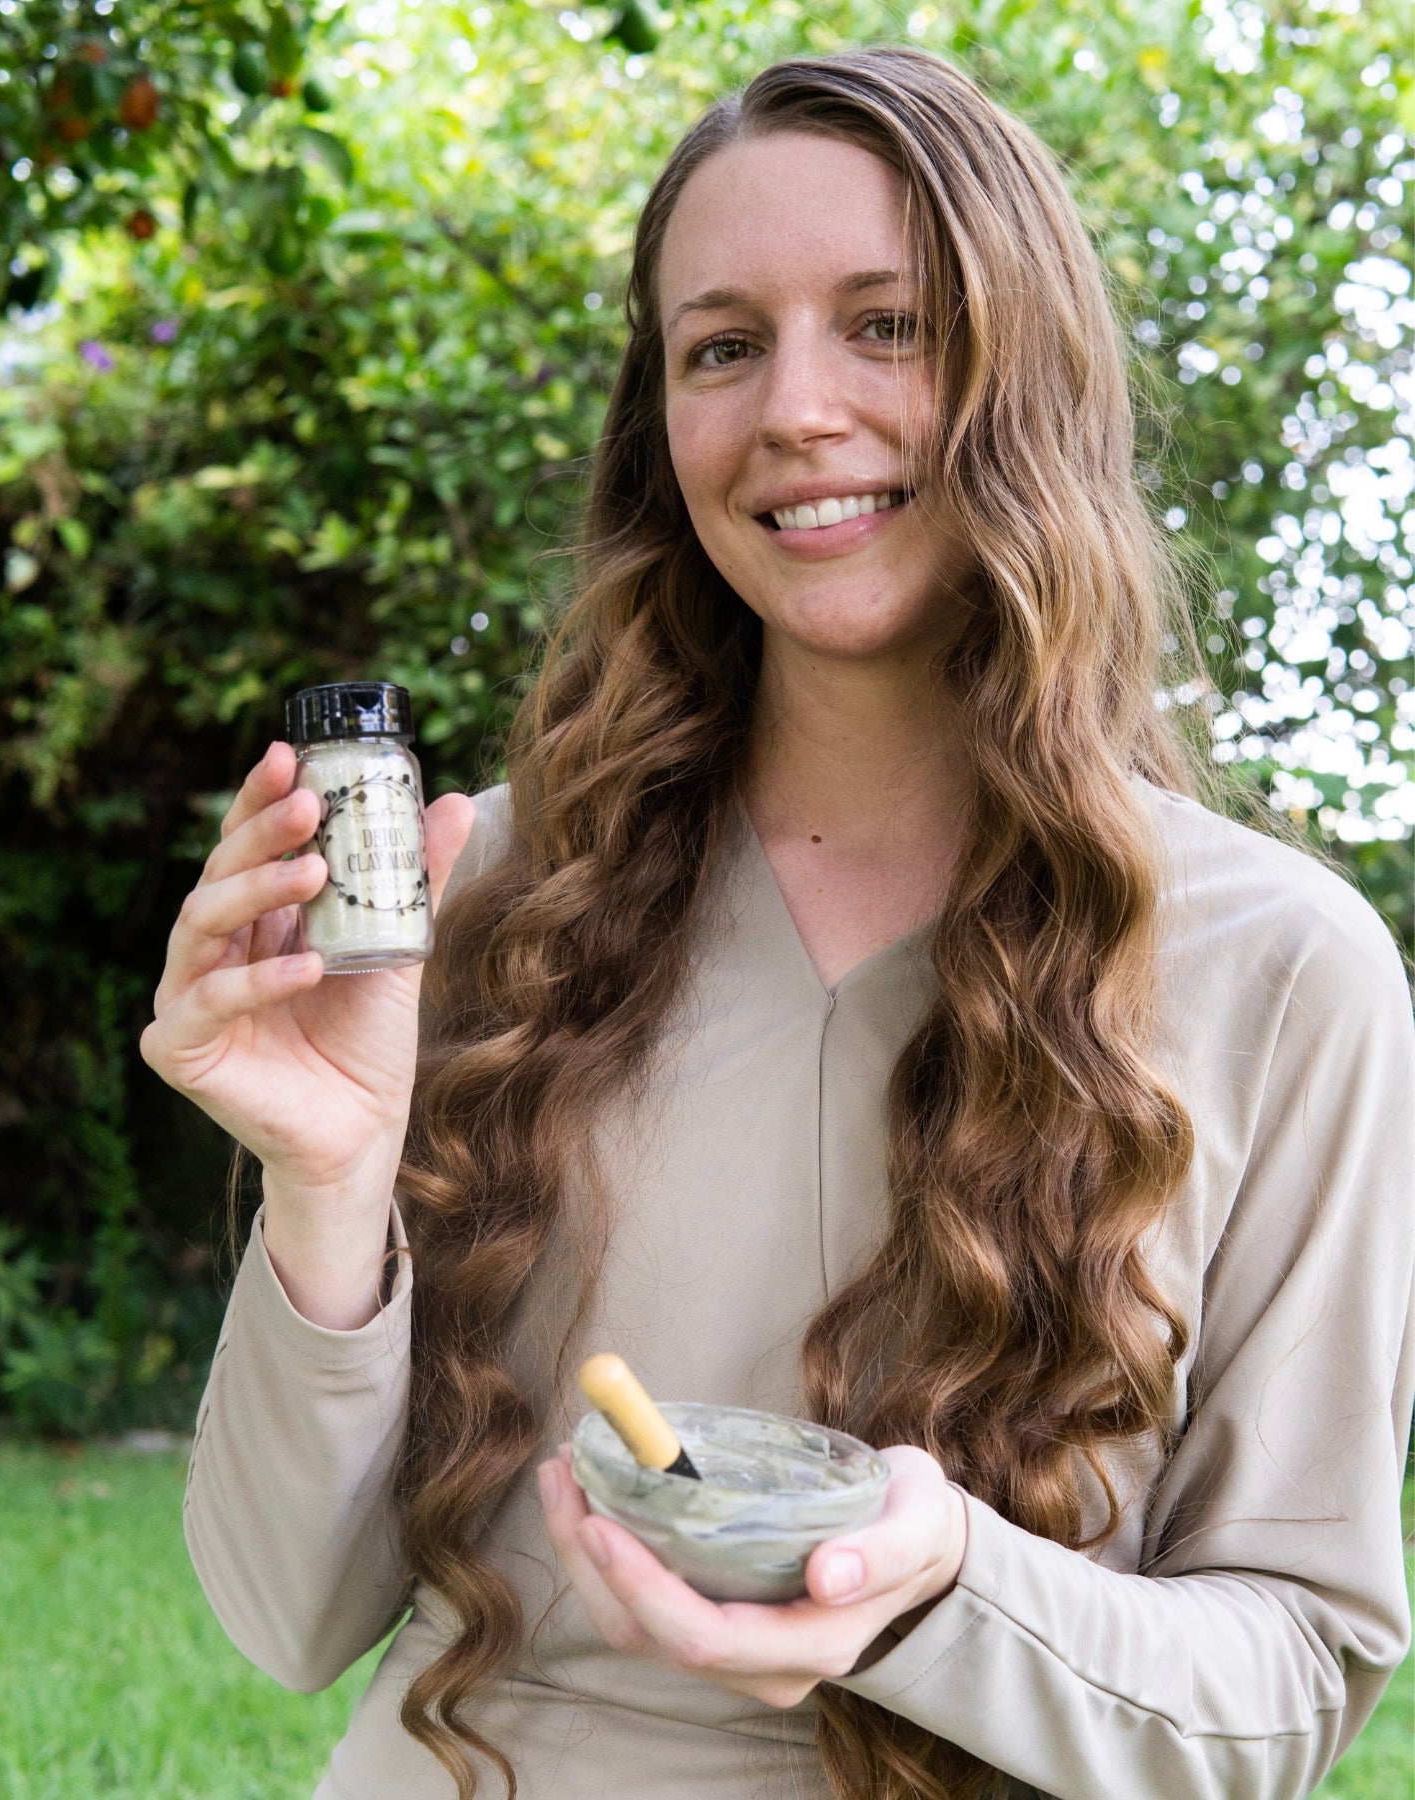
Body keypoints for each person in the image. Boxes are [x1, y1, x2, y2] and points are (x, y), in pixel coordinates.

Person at [141, 44, 1415, 1800]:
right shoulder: (479, 897)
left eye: (886, 324)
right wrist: (326, 1182)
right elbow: (288, 1617)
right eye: (721, 346)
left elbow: (1287, 1683)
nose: (795, 410)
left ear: (1025, 372)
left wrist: (940, 1589)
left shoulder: (1287, 972)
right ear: (660, 426)